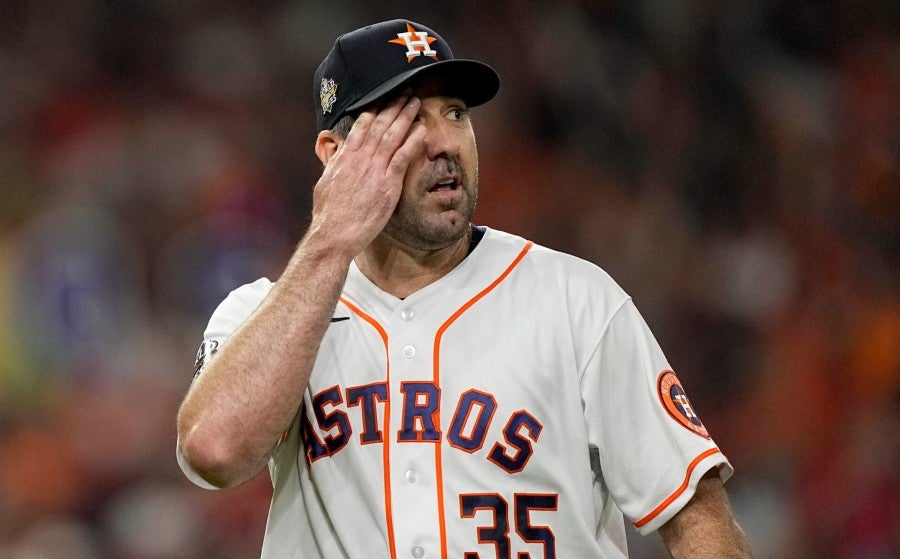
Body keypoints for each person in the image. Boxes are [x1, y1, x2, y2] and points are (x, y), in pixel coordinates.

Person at [176, 19, 752, 559]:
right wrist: (329, 241)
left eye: (455, 113)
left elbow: (697, 519)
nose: (444, 141)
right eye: (406, 119)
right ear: (335, 154)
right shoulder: (264, 314)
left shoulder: (575, 301)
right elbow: (214, 453)